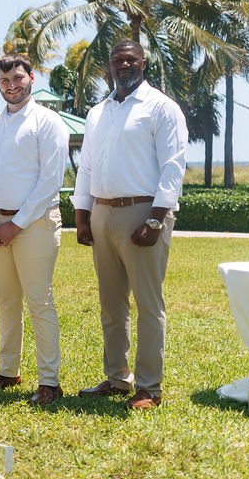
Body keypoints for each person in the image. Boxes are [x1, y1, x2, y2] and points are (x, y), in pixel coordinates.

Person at [73, 40, 187, 410]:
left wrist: (156, 219)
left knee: (148, 305)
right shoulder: (98, 112)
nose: (123, 65)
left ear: (143, 63)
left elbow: (173, 166)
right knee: (111, 303)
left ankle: (149, 387)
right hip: (102, 212)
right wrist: (82, 213)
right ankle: (118, 378)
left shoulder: (161, 108)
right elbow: (87, 166)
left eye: (130, 60)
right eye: (117, 60)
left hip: (143, 213)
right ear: (109, 66)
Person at [0, 54, 70, 406]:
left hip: (36, 223)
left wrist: (16, 224)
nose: (11, 86)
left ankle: (49, 381)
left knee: (39, 301)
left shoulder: (48, 122)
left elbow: (50, 182)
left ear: (31, 77)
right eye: (4, 81)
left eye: (17, 78)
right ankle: (8, 371)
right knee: (5, 301)